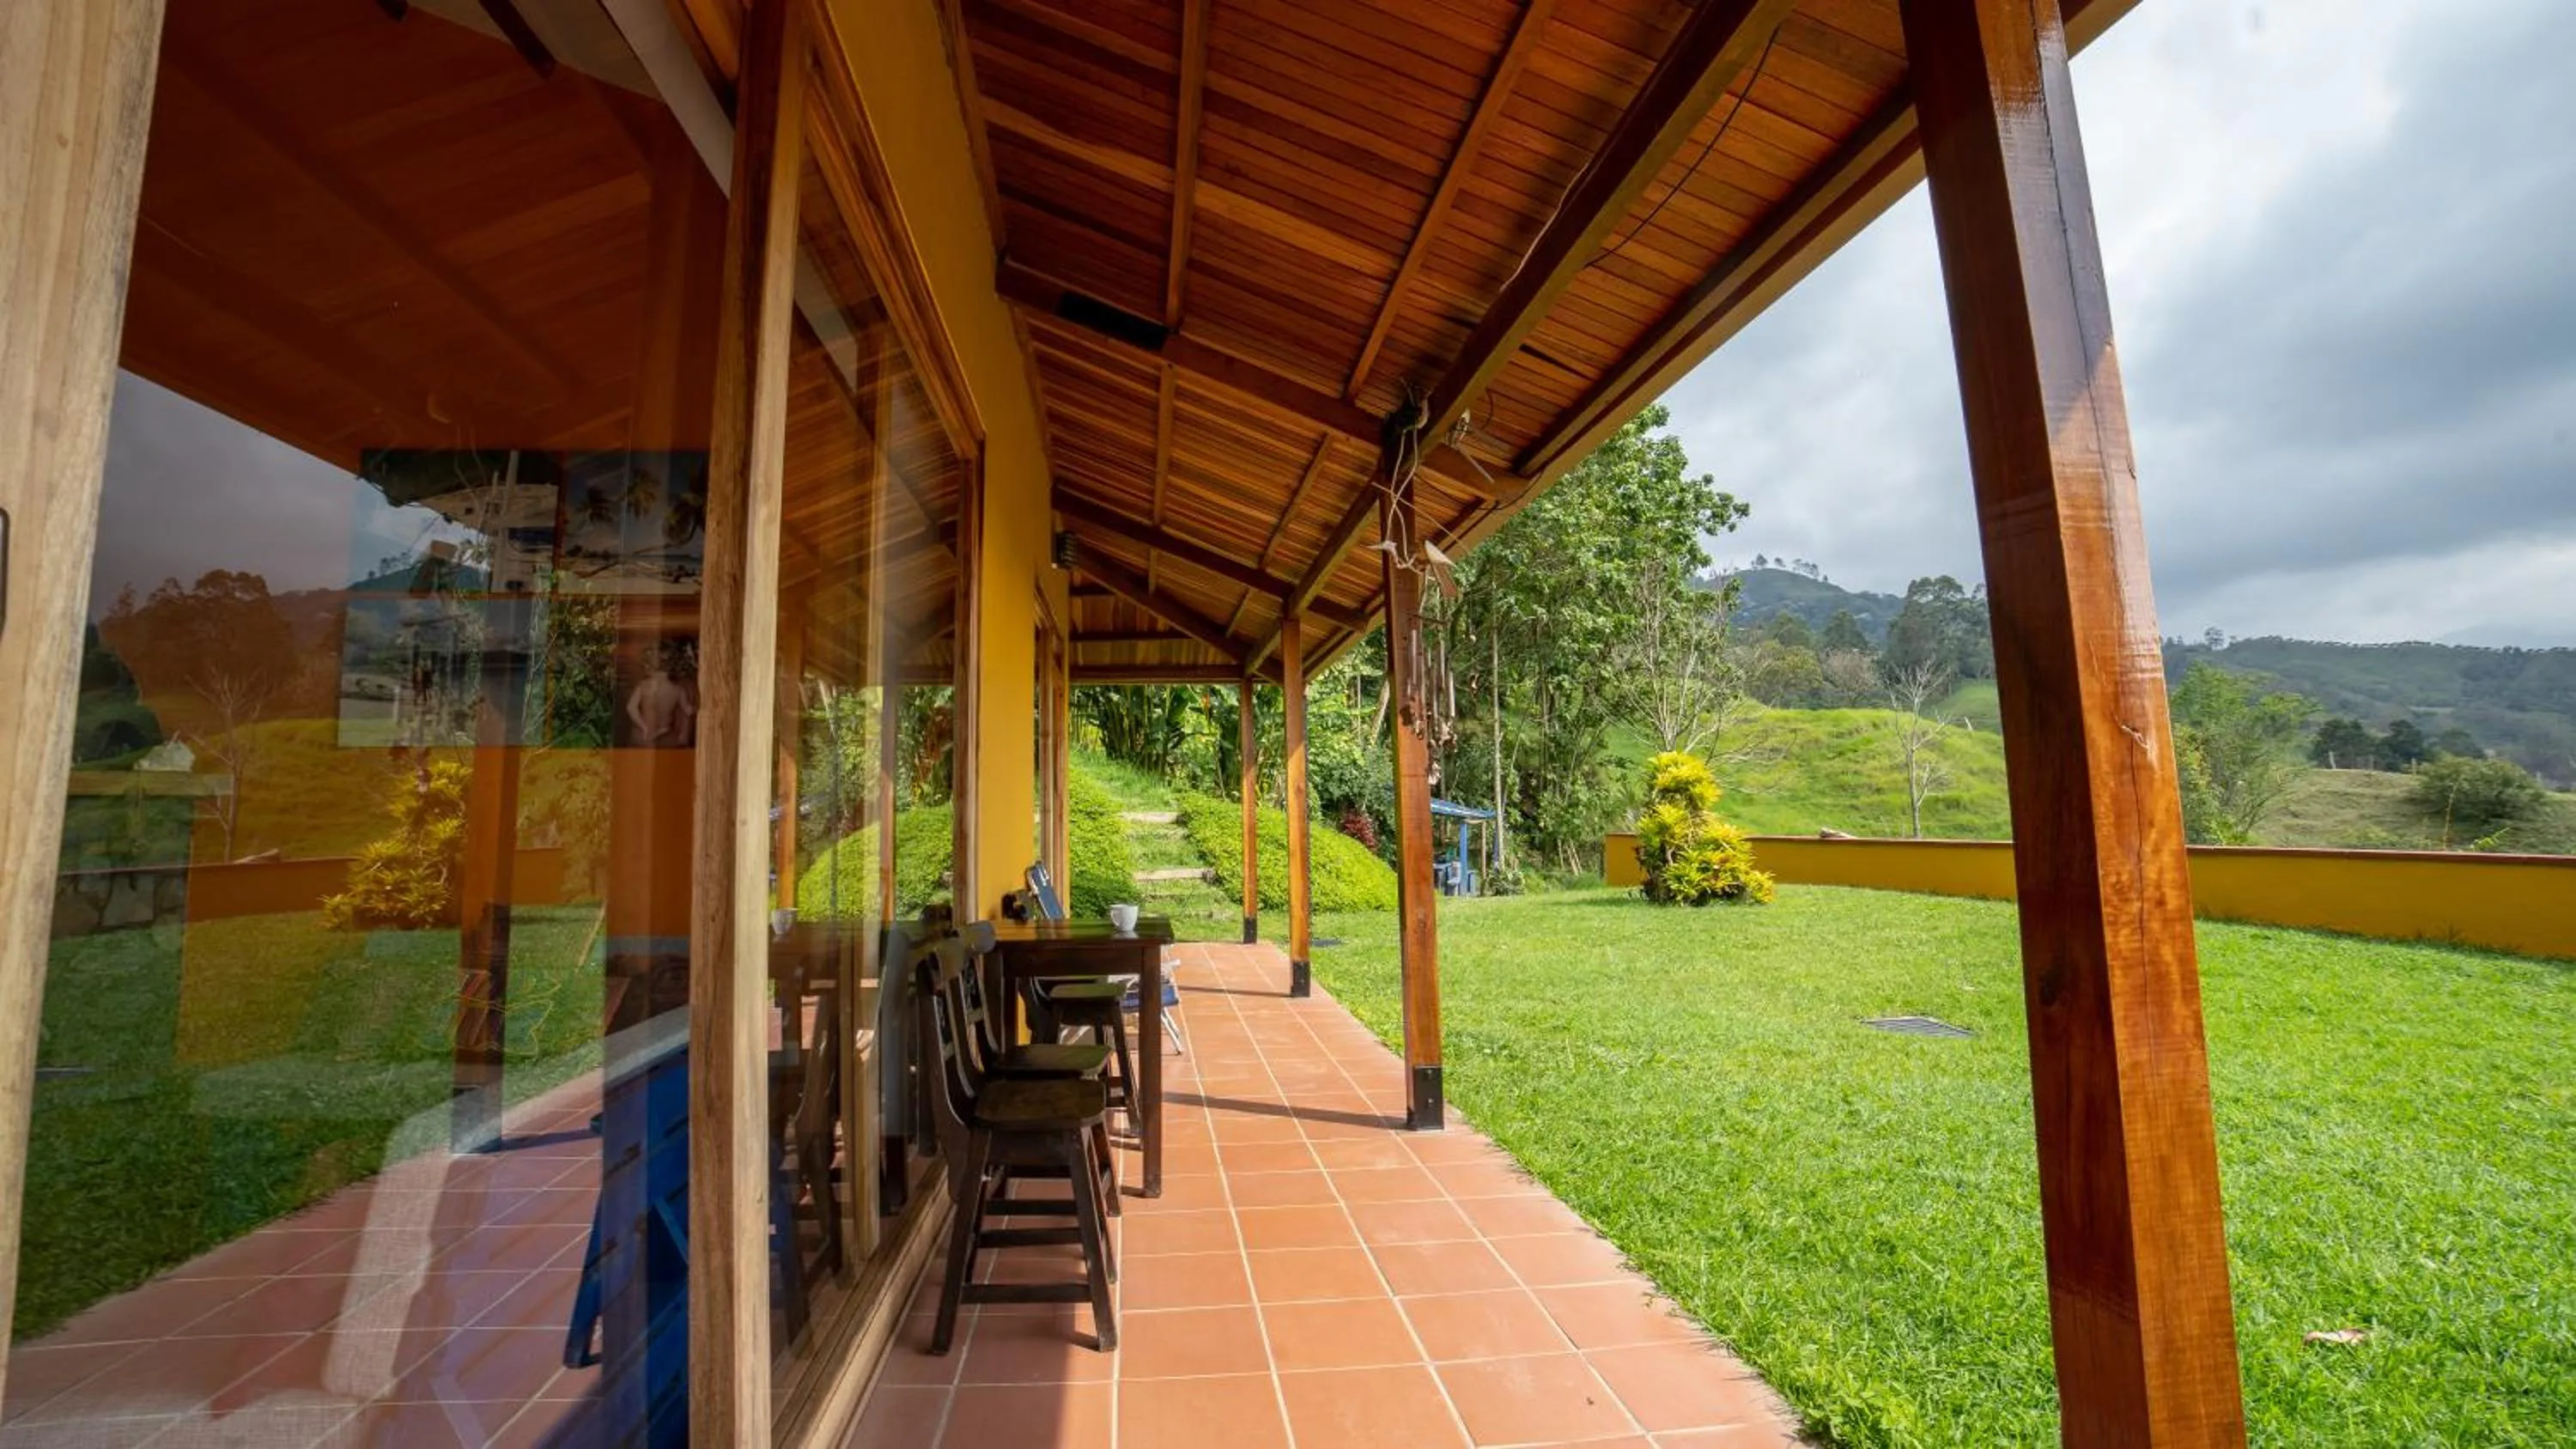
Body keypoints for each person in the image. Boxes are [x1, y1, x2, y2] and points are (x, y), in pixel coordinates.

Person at [625, 637, 698, 747]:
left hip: (643, 738)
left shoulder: (644, 686)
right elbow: (689, 710)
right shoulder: (677, 689)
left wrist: (643, 727)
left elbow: (631, 708)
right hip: (665, 735)